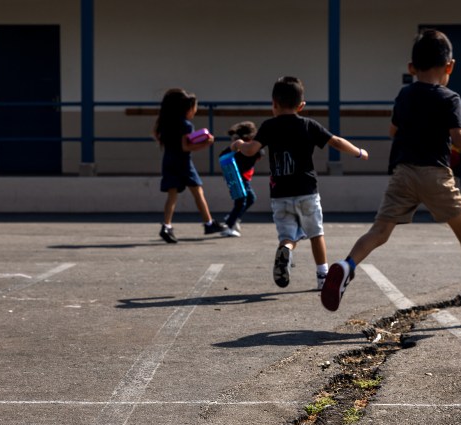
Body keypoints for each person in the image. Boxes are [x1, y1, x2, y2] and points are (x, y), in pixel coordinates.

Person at [320, 29, 461, 314]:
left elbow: (392, 130)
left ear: (412, 67)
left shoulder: (404, 94)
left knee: (380, 231)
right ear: (450, 66)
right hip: (434, 174)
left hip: (402, 172)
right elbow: (460, 140)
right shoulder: (450, 98)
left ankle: (347, 265)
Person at [231, 76, 369, 290]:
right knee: (316, 233)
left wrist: (239, 143)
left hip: (280, 194)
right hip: (306, 192)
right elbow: (336, 141)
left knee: (288, 235)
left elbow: (250, 150)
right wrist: (359, 152)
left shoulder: (268, 126)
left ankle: (286, 249)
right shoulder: (308, 125)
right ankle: (322, 275)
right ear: (301, 105)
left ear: (273, 104)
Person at [153, 88, 226, 243]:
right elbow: (185, 147)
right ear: (187, 109)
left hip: (168, 161)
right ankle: (209, 223)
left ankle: (166, 226)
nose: (195, 111)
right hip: (183, 163)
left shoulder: (166, 124)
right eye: (194, 108)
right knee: (198, 191)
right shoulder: (186, 125)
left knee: (172, 195)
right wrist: (205, 143)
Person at [218, 121, 263, 237]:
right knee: (241, 201)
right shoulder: (239, 145)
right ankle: (228, 225)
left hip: (243, 178)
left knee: (250, 198)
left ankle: (233, 217)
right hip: (238, 178)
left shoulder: (246, 145)